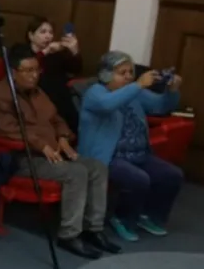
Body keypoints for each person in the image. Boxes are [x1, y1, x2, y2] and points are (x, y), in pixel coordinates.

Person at [0, 47, 118, 258]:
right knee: (75, 173)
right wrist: (41, 145)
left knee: (97, 167)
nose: (34, 75)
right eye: (28, 71)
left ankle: (93, 229)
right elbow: (7, 130)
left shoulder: (38, 92)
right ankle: (69, 235)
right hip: (22, 158)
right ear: (13, 72)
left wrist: (62, 136)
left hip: (53, 154)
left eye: (36, 70)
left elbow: (56, 119)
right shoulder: (1, 95)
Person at [78, 52, 184, 241]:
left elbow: (161, 106)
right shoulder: (95, 92)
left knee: (172, 175)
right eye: (122, 72)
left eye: (130, 72)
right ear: (106, 75)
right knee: (139, 179)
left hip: (138, 154)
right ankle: (122, 219)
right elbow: (107, 104)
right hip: (108, 158)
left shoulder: (134, 92)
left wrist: (172, 91)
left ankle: (149, 216)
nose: (128, 76)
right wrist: (138, 85)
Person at [22, 17, 82, 131]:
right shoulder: (21, 50)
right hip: (34, 97)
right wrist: (45, 52)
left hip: (59, 98)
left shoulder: (56, 54)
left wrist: (74, 51)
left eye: (50, 32)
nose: (48, 36)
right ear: (31, 35)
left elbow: (76, 69)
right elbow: (29, 66)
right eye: (43, 32)